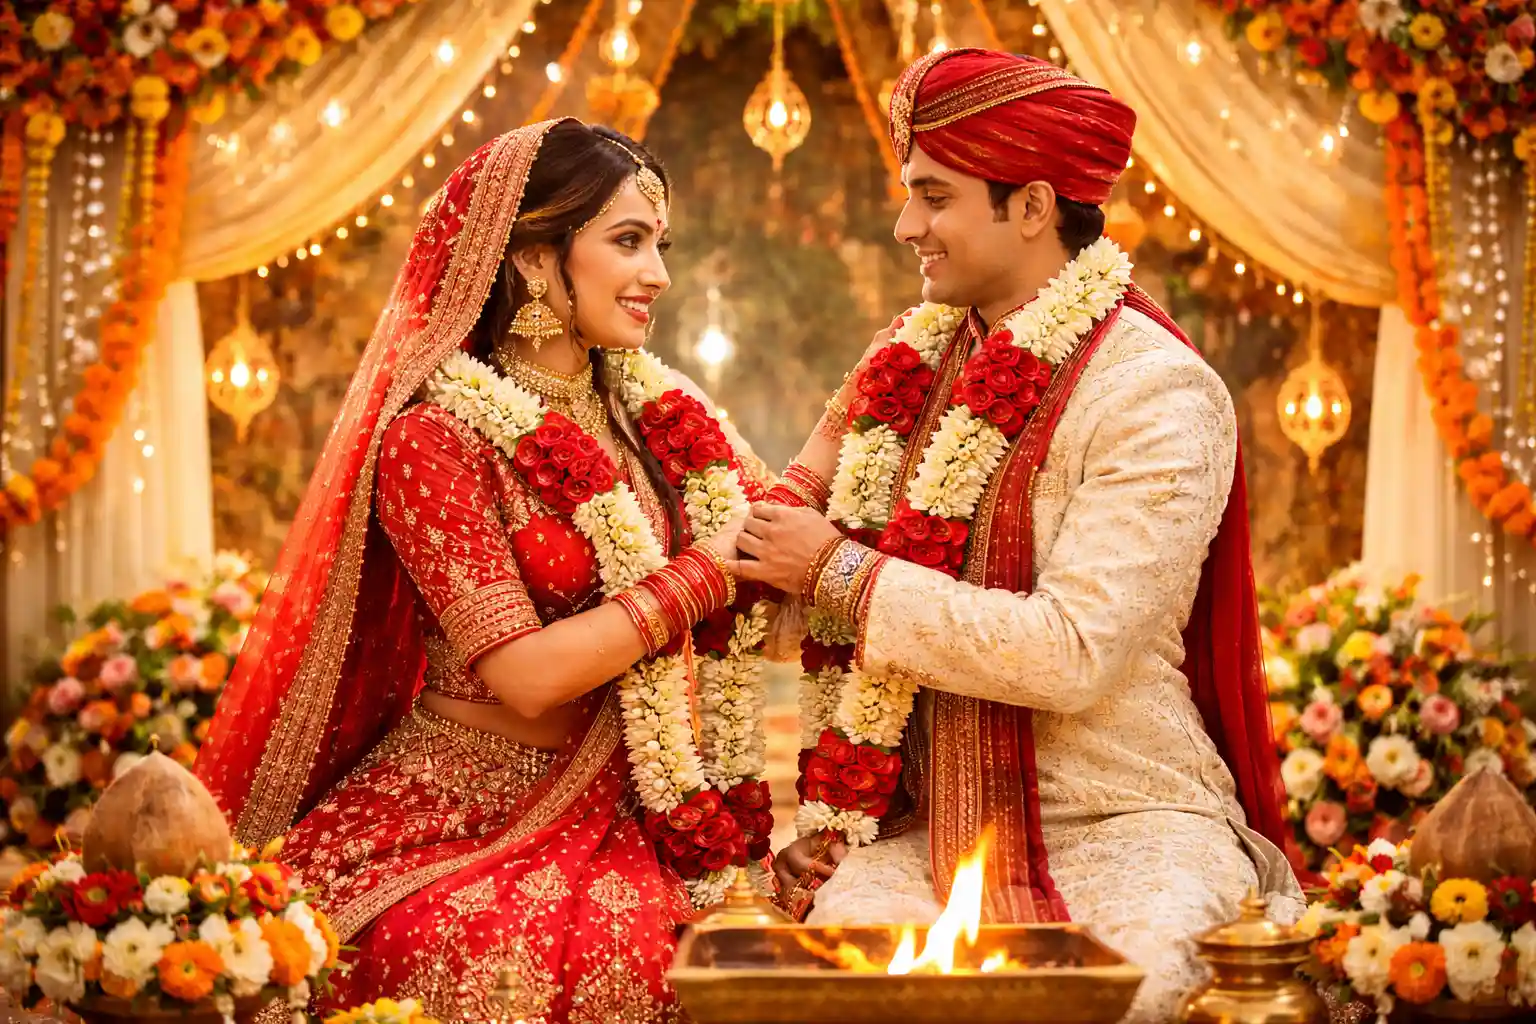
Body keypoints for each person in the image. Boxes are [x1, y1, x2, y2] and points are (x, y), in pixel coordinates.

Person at [735, 49, 1303, 1022]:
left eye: (933, 195)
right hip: (927, 832)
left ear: (1033, 206)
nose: (908, 225)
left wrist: (839, 572)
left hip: (1125, 820)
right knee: (829, 997)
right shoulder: (907, 366)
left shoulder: (1154, 390)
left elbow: (1076, 651)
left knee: (1120, 996)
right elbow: (775, 554)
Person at [195, 119, 776, 1024]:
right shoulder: (434, 438)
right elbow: (526, 675)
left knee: (749, 948)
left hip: (640, 798)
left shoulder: (661, 414)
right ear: (538, 259)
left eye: (660, 244)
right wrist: (702, 575)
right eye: (628, 242)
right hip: (462, 799)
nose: (658, 274)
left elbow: (774, 547)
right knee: (487, 951)